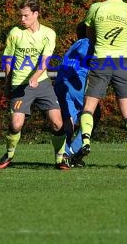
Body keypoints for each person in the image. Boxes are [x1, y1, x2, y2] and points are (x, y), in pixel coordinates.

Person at [72, 0, 127, 169]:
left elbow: (89, 36)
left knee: (89, 106)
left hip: (101, 60)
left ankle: (86, 142)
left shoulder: (96, 8)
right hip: (122, 62)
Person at [0, 0, 69, 170]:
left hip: (42, 83)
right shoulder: (15, 32)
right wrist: (8, 82)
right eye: (20, 16)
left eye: (26, 16)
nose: (22, 20)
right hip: (20, 85)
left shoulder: (48, 33)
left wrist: (36, 77)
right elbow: (8, 58)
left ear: (36, 14)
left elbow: (46, 60)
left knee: (58, 123)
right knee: (16, 124)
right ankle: (9, 153)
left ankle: (60, 158)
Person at [53, 22, 98, 166]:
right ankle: (75, 149)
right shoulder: (87, 43)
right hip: (75, 82)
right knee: (94, 113)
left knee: (68, 120)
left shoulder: (74, 45)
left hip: (61, 83)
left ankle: (65, 153)